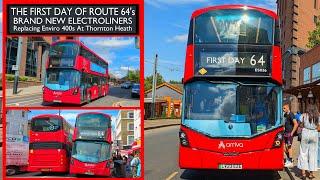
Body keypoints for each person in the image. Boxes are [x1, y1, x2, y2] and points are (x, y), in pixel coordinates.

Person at [297, 107, 320, 180]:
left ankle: (303, 174)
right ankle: (311, 174)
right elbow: (319, 128)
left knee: (303, 153)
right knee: (313, 154)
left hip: (305, 133)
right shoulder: (318, 116)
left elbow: (300, 124)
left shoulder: (303, 115)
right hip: (314, 134)